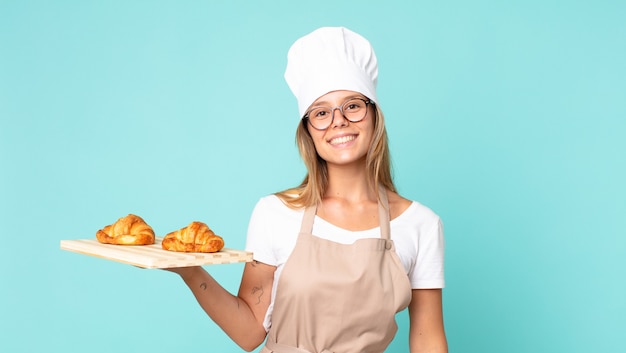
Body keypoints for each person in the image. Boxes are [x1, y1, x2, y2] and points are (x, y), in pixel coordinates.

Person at [166, 27, 447, 353]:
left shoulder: (421, 225)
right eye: (321, 113)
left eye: (352, 105)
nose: (338, 121)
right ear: (308, 131)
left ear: (374, 115)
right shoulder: (274, 213)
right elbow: (249, 334)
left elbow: (428, 338)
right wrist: (188, 270)